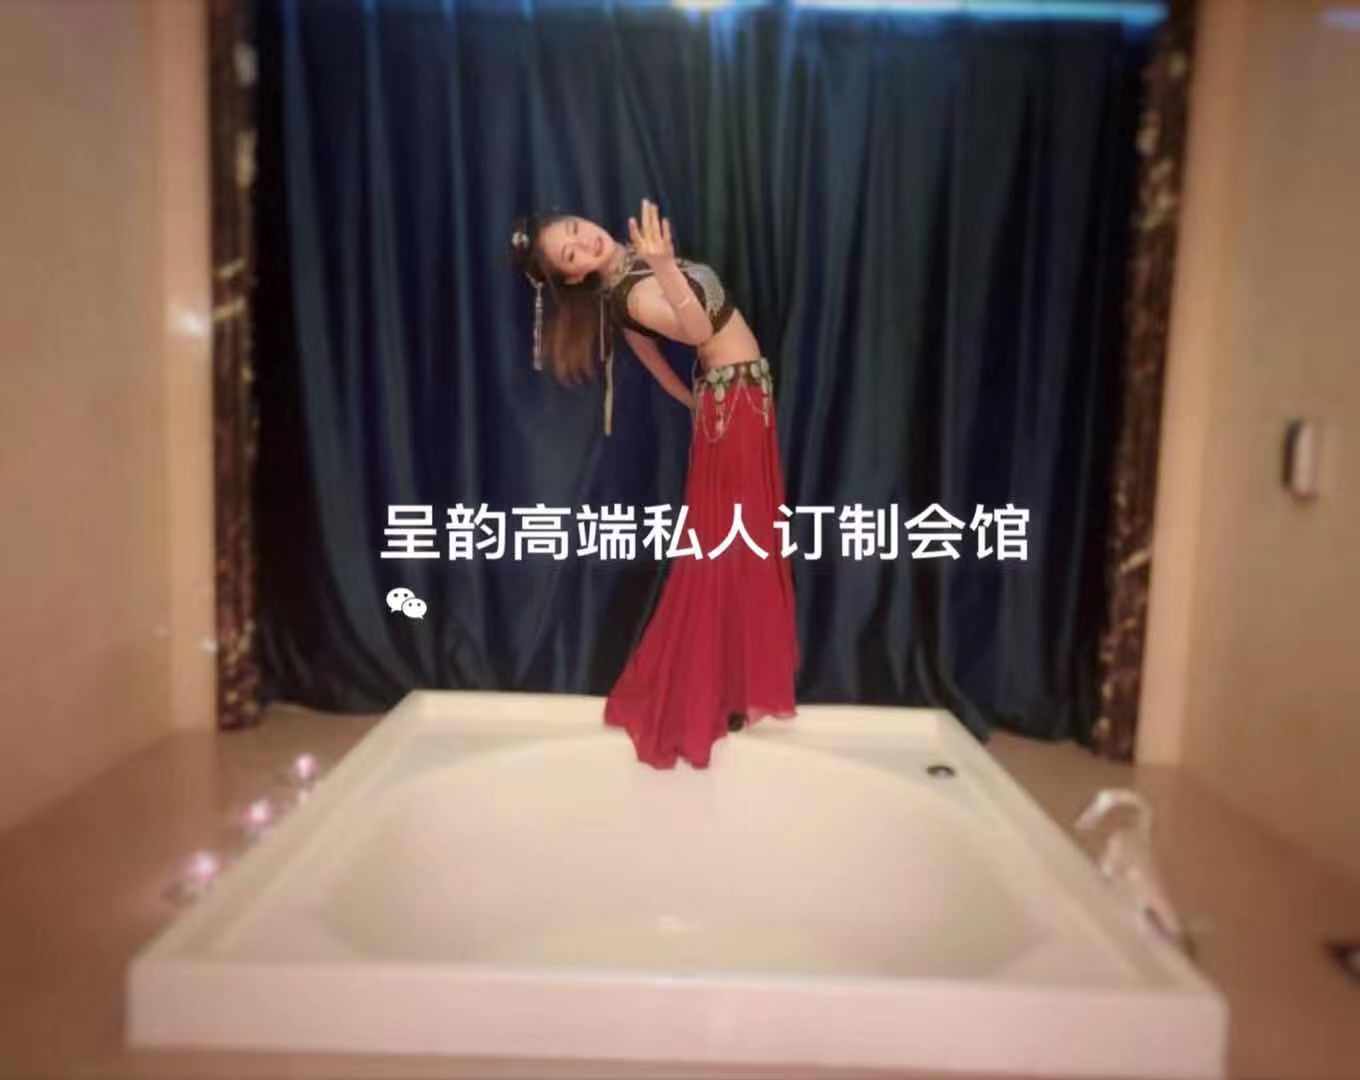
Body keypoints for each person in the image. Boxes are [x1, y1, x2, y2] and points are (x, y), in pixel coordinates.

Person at [509, 198, 799, 768]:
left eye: (575, 230)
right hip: (737, 405)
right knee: (731, 552)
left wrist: (699, 401)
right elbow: (696, 330)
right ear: (573, 276)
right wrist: (665, 265)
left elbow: (655, 364)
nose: (583, 242)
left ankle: (722, 689)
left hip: (733, 403)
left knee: (730, 551)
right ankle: (709, 694)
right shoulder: (633, 291)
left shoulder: (626, 281)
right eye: (571, 254)